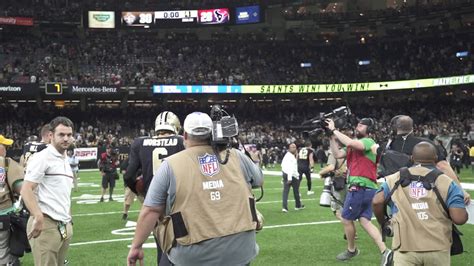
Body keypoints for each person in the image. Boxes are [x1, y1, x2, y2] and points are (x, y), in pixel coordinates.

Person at [127, 112, 263, 266]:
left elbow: (151, 211)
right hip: (241, 250)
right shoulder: (236, 156)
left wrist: (136, 246)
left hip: (192, 255)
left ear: (184, 135)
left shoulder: (170, 165)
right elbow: (258, 180)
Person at [373, 142, 468, 265]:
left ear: (412, 158)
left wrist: (383, 221)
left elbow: (377, 201)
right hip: (437, 246)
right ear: (435, 158)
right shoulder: (447, 182)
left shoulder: (394, 179)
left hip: (405, 247)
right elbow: (459, 218)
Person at [326, 117, 391, 264]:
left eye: (362, 125)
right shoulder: (354, 145)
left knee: (346, 218)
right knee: (365, 221)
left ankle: (351, 250)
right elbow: (337, 155)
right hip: (368, 188)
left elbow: (349, 142)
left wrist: (334, 130)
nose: (358, 126)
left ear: (369, 130)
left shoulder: (368, 142)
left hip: (360, 187)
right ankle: (385, 251)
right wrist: (331, 136)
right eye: (358, 124)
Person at [124, 111, 185, 265]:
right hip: (180, 205)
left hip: (155, 207)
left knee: (162, 247)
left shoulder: (140, 142)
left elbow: (129, 176)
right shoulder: (180, 141)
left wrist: (142, 192)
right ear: (176, 127)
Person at [20, 116, 75, 266]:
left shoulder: (64, 159)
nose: (66, 139)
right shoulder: (42, 157)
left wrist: (69, 218)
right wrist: (37, 216)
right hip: (46, 223)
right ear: (51, 135)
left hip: (64, 224)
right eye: (61, 135)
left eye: (69, 135)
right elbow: (26, 189)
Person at [387, 115, 470, 204]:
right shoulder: (425, 144)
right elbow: (443, 166)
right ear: (412, 128)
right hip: (422, 193)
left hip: (396, 194)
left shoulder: (387, 147)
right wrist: (460, 190)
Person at [0, 135, 24, 266]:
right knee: (4, 253)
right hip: (4, 213)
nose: (7, 149)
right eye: (4, 146)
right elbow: (20, 188)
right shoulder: (6, 163)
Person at [282, 143, 305, 212]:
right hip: (291, 175)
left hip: (287, 174)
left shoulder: (288, 156)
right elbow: (290, 168)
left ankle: (285, 207)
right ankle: (297, 205)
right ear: (289, 148)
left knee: (286, 192)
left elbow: (282, 165)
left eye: (295, 147)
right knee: (295, 191)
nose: (294, 148)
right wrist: (289, 178)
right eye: (292, 147)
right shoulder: (290, 157)